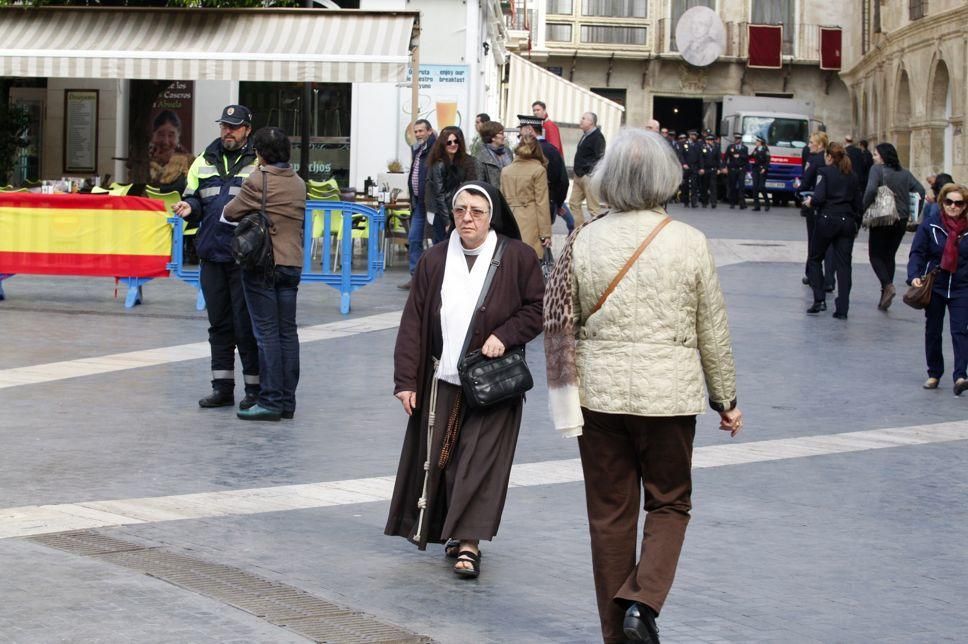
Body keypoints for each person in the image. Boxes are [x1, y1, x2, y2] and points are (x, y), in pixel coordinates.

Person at [543, 128, 741, 644]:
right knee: (670, 502)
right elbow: (711, 330)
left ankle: (616, 634)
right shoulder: (689, 242)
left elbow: (563, 317)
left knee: (609, 515)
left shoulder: (584, 239)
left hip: (599, 397)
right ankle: (643, 603)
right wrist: (726, 399)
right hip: (669, 398)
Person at [385, 181, 545, 579]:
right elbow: (414, 321)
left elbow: (539, 308)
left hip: (493, 384)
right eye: (460, 210)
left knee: (479, 462)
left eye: (476, 210)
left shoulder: (518, 257)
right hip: (442, 379)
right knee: (444, 462)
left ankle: (469, 542)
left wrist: (504, 336)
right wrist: (406, 380)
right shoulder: (435, 259)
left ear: (491, 216)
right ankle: (451, 532)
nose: (467, 218)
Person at [172, 104, 260, 411]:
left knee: (246, 324)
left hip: (244, 257)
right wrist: (189, 208)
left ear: (247, 130)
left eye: (234, 127)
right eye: (224, 126)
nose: (228, 131)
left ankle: (254, 389)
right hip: (211, 253)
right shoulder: (203, 160)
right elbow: (193, 197)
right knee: (219, 324)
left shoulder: (258, 162)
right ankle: (222, 387)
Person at [222, 127, 306, 421]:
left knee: (267, 333)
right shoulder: (298, 182)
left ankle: (269, 400)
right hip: (292, 263)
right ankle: (287, 401)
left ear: (259, 153)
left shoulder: (257, 180)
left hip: (264, 264)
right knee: (287, 334)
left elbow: (231, 212)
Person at [907, 183, 968, 396]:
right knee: (933, 330)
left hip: (962, 287)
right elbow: (918, 253)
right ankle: (934, 372)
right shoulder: (931, 225)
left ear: (965, 206)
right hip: (936, 285)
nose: (953, 206)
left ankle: (960, 375)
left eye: (958, 203)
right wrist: (914, 275)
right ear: (942, 202)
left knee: (960, 331)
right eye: (949, 202)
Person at [863, 142, 926, 310]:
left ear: (882, 156)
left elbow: (870, 190)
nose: (874, 157)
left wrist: (862, 209)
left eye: (875, 154)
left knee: (875, 255)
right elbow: (921, 190)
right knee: (889, 256)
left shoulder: (877, 170)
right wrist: (914, 212)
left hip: (883, 217)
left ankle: (887, 286)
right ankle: (885, 294)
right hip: (902, 219)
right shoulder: (905, 173)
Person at [803, 143, 863, 319]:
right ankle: (843, 307)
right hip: (847, 222)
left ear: (829, 156)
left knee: (815, 258)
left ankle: (819, 299)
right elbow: (858, 204)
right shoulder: (852, 176)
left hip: (827, 220)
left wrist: (810, 202)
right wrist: (856, 224)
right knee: (844, 266)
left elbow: (820, 197)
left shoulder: (825, 172)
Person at [501, 135, 552, 258]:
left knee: (510, 259)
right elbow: (542, 203)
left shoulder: (506, 170)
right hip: (530, 220)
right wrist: (545, 233)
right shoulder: (538, 170)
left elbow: (501, 199)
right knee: (529, 260)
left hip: (509, 219)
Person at [400, 118, 436, 290]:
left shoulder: (436, 149)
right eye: (416, 131)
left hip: (432, 204)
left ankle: (435, 278)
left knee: (436, 241)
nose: (418, 134)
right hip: (418, 204)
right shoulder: (419, 149)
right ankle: (415, 277)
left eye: (421, 131)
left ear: (430, 131)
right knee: (414, 239)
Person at [425, 125, 478, 242]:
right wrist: (447, 221)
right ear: (443, 144)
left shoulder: (459, 162)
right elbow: (439, 195)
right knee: (441, 248)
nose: (453, 144)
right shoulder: (439, 164)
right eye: (449, 142)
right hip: (441, 213)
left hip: (453, 210)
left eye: (456, 141)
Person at [517, 114, 568, 227]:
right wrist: (558, 204)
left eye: (521, 130)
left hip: (524, 206)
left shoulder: (524, 151)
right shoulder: (552, 150)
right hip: (548, 203)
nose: (520, 134)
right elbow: (563, 181)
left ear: (529, 129)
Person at [800, 132, 835, 292]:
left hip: (814, 204)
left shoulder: (814, 160)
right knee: (829, 245)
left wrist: (798, 188)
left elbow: (806, 182)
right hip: (831, 207)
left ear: (820, 145)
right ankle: (829, 279)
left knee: (813, 241)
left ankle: (812, 274)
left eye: (811, 142)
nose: (809, 145)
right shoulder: (832, 160)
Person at [569, 112, 606, 225]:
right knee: (573, 203)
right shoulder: (585, 135)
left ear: (591, 122)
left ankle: (597, 234)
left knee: (593, 208)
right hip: (578, 176)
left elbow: (600, 157)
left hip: (588, 177)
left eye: (584, 119)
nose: (581, 120)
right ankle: (578, 231)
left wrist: (588, 172)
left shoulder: (598, 137)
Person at [148, 110, 195, 194]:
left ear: (178, 136)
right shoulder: (143, 162)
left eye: (171, 135)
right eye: (161, 134)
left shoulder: (189, 162)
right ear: (153, 135)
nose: (166, 142)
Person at [474, 120, 511, 188]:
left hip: (509, 193)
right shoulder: (481, 156)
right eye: (501, 133)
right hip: (493, 195)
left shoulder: (507, 151)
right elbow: (479, 182)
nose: (504, 136)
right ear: (493, 137)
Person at [678, 130, 702, 208]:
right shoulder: (684, 144)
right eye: (692, 135)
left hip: (694, 167)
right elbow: (681, 155)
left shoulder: (698, 145)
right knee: (686, 185)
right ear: (689, 135)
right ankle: (686, 201)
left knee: (694, 185)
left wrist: (701, 167)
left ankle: (694, 202)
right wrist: (683, 164)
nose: (694, 136)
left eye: (695, 135)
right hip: (687, 166)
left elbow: (700, 157)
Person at [724, 133, 749, 209]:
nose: (736, 140)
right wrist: (724, 167)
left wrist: (739, 155)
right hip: (733, 169)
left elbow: (746, 158)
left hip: (741, 169)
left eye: (738, 139)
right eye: (735, 139)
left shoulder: (745, 148)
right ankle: (732, 203)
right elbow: (725, 157)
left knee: (741, 186)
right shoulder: (730, 147)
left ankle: (742, 203)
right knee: (732, 186)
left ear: (740, 140)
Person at [699, 134, 721, 208]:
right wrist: (701, 168)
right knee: (704, 186)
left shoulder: (716, 148)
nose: (710, 141)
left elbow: (718, 159)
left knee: (713, 187)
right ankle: (704, 202)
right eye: (709, 140)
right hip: (706, 170)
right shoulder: (703, 148)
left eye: (711, 140)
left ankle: (713, 202)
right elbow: (701, 159)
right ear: (706, 141)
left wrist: (719, 169)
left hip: (713, 169)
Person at [750, 134, 771, 211]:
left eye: (757, 141)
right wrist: (743, 155)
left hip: (762, 170)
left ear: (761, 142)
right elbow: (751, 156)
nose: (756, 142)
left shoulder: (765, 149)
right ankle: (757, 205)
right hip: (755, 170)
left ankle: (767, 203)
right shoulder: (756, 149)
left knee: (761, 187)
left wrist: (764, 168)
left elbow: (768, 160)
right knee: (755, 187)